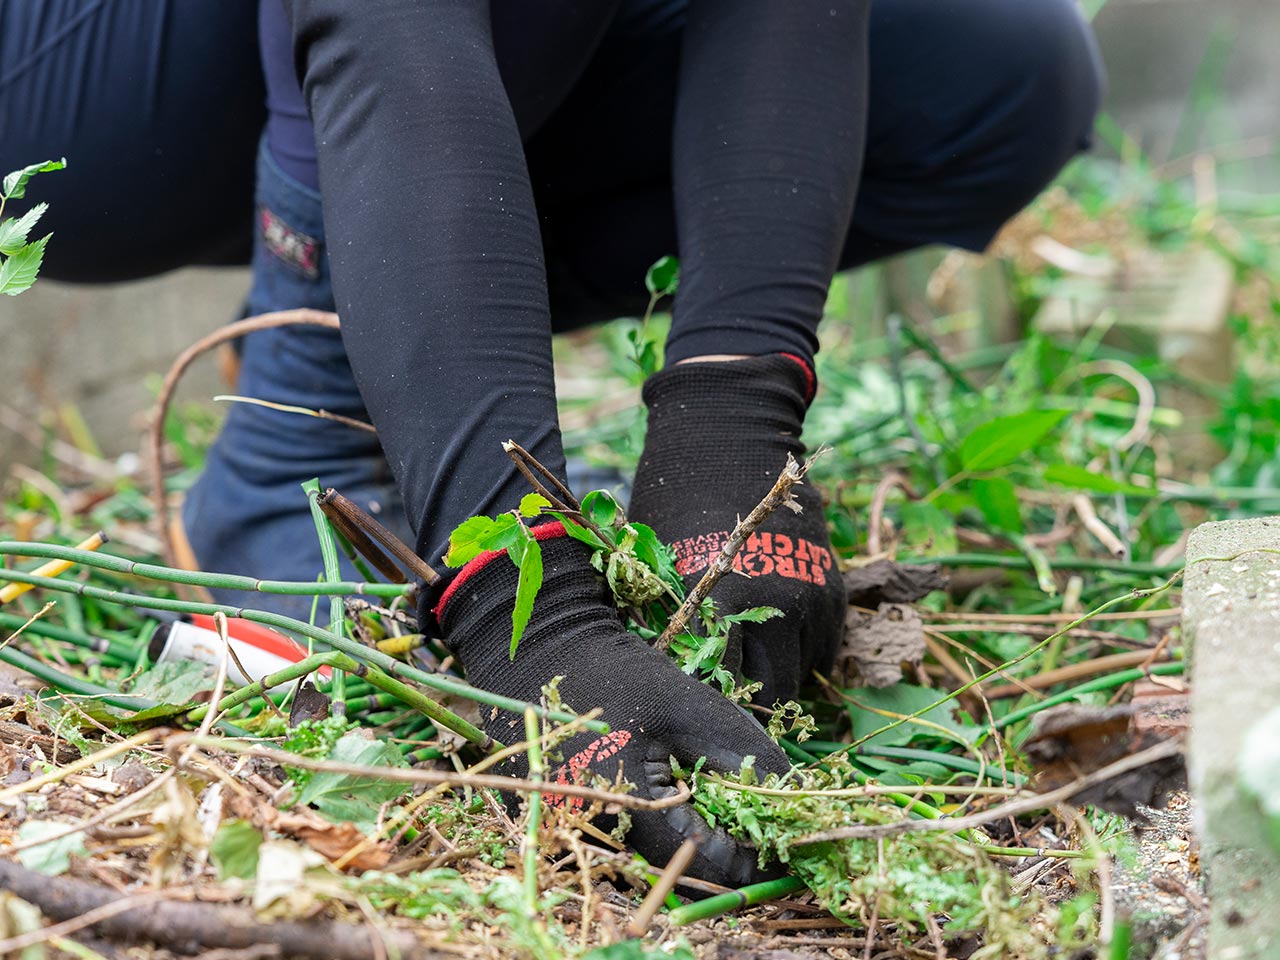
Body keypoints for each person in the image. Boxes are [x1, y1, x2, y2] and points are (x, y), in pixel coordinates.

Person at [3, 0, 1104, 883]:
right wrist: (523, 604)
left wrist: (732, 405)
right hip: (69, 72)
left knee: (1001, 75)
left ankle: (409, 325)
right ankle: (300, 435)